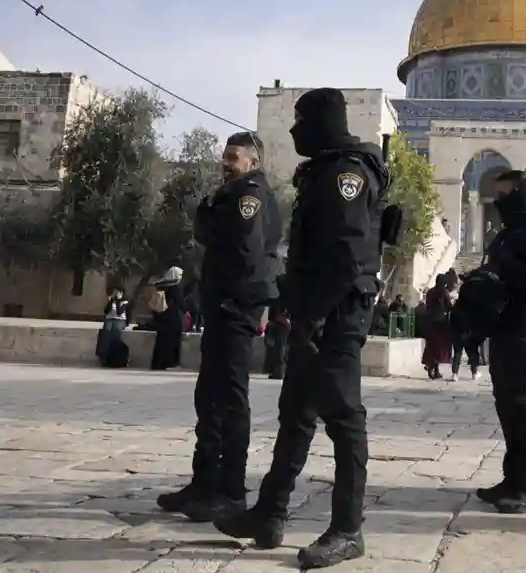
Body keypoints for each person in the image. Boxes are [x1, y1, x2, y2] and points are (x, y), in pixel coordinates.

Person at [214, 88, 391, 570]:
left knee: (344, 420)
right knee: (296, 414)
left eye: (300, 121)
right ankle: (269, 515)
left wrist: (313, 316)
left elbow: (347, 257)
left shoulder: (346, 174)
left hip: (336, 316)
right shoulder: (325, 170)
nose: (292, 131)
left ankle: (348, 529)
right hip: (313, 315)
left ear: (323, 123)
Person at [157, 131, 282, 522]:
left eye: (233, 157)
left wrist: (228, 297)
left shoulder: (250, 197)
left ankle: (230, 490)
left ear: (253, 162)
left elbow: (243, 252)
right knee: (209, 394)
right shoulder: (231, 194)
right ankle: (203, 482)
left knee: (229, 397)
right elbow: (206, 233)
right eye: (224, 156)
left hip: (235, 305)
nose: (225, 163)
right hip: (224, 304)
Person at [474, 171, 526, 515]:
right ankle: (513, 479)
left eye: (506, 195)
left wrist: (503, 268)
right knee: (507, 406)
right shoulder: (509, 235)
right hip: (504, 329)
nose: (499, 203)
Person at [150, 267, 186, 371]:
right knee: (172, 342)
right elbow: (180, 304)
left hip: (163, 319)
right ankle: (170, 363)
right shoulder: (175, 289)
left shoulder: (161, 286)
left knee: (162, 342)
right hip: (173, 319)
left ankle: (159, 363)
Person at [422, 276, 455, 379]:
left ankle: (434, 369)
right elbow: (449, 306)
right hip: (441, 323)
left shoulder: (430, 292)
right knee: (439, 347)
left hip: (430, 321)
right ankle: (433, 366)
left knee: (431, 345)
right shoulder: (444, 292)